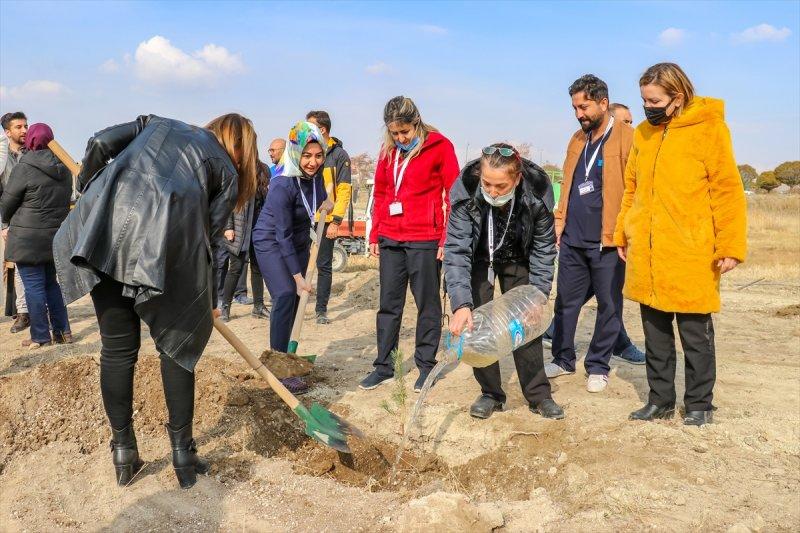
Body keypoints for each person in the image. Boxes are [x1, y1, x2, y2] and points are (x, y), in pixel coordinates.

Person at [53, 113, 258, 488]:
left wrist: (87, 187)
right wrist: (207, 299)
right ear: (242, 148)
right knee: (177, 350)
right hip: (166, 253)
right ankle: (183, 455)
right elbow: (208, 245)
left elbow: (99, 143)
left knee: (117, 350)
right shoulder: (227, 170)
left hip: (104, 237)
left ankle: (124, 452)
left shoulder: (156, 123)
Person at [616, 63, 746, 426]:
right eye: (644, 99)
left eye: (654, 100)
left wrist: (730, 245)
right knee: (655, 334)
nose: (647, 106)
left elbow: (727, 189)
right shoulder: (642, 133)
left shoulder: (710, 128)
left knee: (694, 335)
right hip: (647, 252)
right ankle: (660, 401)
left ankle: (700, 403)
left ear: (678, 96)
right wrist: (623, 232)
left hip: (690, 252)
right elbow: (632, 189)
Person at [445, 143, 563, 420]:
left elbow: (544, 249)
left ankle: (538, 395)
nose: (493, 192)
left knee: (525, 322)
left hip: (517, 257)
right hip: (478, 259)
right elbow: (457, 250)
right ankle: (490, 393)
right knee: (476, 325)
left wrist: (539, 295)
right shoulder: (466, 193)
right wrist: (461, 303)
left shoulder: (536, 196)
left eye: (501, 186)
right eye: (487, 184)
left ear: (517, 179)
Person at [548, 75, 643, 393]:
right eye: (575, 107)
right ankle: (562, 358)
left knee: (609, 304)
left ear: (604, 103)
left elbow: (636, 190)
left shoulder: (629, 138)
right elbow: (569, 184)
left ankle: (598, 365)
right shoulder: (577, 139)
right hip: (573, 238)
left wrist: (629, 233)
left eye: (584, 106)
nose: (579, 113)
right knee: (565, 303)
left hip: (609, 240)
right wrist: (560, 221)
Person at [360, 96, 459, 393]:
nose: (401, 138)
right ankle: (383, 366)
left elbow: (453, 195)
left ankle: (426, 366)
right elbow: (380, 193)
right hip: (391, 237)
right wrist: (375, 232)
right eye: (395, 133)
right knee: (388, 305)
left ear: (417, 123)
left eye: (405, 132)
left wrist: (446, 238)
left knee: (427, 305)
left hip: (425, 239)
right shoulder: (388, 152)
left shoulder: (440, 146)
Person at [252, 121, 332, 393]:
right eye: (307, 156)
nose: (313, 162)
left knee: (297, 300)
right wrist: (298, 277)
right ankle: (278, 366)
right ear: (296, 152)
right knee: (286, 293)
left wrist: (327, 202)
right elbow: (281, 233)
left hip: (297, 241)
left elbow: (319, 200)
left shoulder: (315, 176)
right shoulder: (282, 183)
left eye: (318, 155)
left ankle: (287, 354)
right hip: (271, 240)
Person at [0, 123, 72, 348]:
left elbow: (7, 204)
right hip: (54, 237)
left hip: (27, 239)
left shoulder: (25, 166)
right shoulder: (64, 167)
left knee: (33, 285)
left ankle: (40, 336)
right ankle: (62, 332)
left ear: (30, 140)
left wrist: (8, 218)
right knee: (51, 284)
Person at [305, 110, 352, 324]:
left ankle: (321, 310)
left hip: (325, 218)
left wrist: (336, 221)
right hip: (305, 216)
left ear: (322, 129)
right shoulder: (305, 152)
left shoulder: (339, 156)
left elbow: (343, 190)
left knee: (323, 264)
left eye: (310, 126)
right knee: (299, 262)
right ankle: (296, 303)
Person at [1, 111, 30, 333]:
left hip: (32, 217)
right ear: (7, 132)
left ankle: (28, 311)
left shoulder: (32, 153)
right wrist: (3, 225)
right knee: (11, 268)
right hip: (9, 220)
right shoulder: (2, 158)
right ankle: (20, 311)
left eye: (26, 126)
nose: (24, 130)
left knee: (30, 267)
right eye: (19, 127)